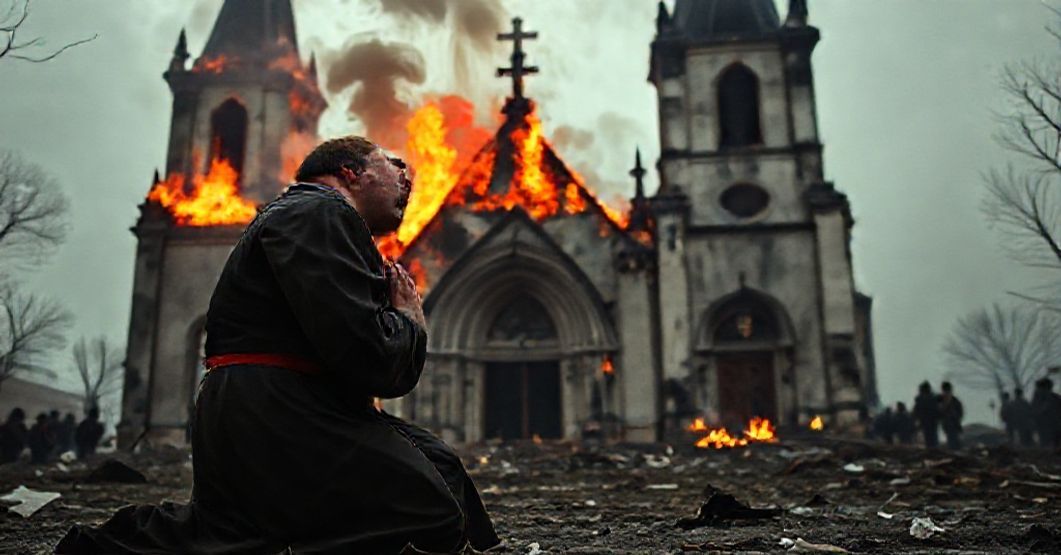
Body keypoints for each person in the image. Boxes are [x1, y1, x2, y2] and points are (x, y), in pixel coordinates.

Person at [57, 136, 499, 554]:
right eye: (395, 164)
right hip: (276, 407)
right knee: (424, 509)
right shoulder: (319, 213)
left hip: (278, 403)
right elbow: (368, 356)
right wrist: (408, 320)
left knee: (442, 471)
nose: (409, 177)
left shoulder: (313, 218)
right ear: (350, 172)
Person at [1032, 378, 1060, 448]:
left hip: (1053, 428)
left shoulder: (1054, 396)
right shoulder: (1041, 396)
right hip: (1050, 429)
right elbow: (1037, 412)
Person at [913, 381, 940, 448]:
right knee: (932, 438)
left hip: (928, 421)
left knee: (930, 438)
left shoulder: (921, 399)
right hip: (931, 421)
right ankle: (933, 450)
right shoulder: (932, 398)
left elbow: (916, 411)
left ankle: (932, 450)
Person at [939, 381, 964, 449]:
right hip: (948, 424)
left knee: (954, 442)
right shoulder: (941, 399)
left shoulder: (954, 401)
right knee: (952, 442)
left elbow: (960, 413)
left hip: (953, 424)